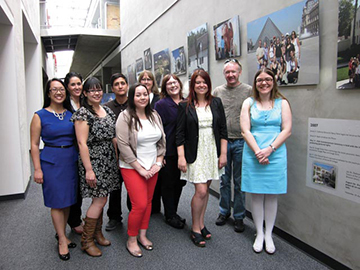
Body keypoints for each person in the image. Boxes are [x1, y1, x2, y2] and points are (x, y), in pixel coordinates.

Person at [240, 68, 292, 254]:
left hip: (275, 154)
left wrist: (269, 150)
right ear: (255, 83)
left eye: (268, 79)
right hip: (253, 153)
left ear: (273, 81)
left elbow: (287, 130)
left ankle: (269, 234)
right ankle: (259, 233)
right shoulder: (248, 102)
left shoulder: (282, 103)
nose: (264, 83)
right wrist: (258, 152)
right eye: (260, 80)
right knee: (256, 195)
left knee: (271, 195)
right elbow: (245, 130)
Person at [176, 69, 227, 247]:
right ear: (192, 85)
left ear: (208, 84)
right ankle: (195, 229)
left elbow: (223, 130)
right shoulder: (185, 106)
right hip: (194, 152)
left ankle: (202, 224)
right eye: (197, 82)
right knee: (201, 192)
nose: (201, 85)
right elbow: (179, 134)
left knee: (205, 190)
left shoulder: (217, 102)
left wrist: (223, 153)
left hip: (212, 151)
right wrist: (181, 157)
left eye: (204, 82)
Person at [71, 77, 120, 257]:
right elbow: (82, 143)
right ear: (85, 93)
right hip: (93, 161)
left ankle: (97, 233)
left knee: (103, 199)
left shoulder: (107, 110)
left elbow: (113, 137)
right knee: (99, 200)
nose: (97, 93)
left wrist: (117, 159)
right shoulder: (83, 114)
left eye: (99, 89)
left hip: (108, 160)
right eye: (92, 90)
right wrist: (89, 170)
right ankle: (87, 240)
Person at [30, 78, 78, 261]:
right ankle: (62, 241)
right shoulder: (39, 115)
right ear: (48, 93)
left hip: (70, 160)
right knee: (56, 202)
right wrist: (37, 169)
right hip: (51, 162)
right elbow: (34, 145)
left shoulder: (70, 114)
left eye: (61, 89)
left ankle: (62, 234)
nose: (59, 92)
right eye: (54, 89)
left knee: (67, 200)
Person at [116, 83, 166, 257]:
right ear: (132, 97)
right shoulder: (125, 117)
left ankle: (143, 235)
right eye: (138, 95)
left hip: (153, 166)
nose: (142, 97)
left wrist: (158, 163)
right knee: (140, 204)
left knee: (149, 202)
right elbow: (123, 145)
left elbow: (162, 141)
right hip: (131, 166)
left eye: (145, 94)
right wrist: (140, 168)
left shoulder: (154, 115)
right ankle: (132, 239)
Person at [213, 59, 252, 232]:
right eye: (227, 72)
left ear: (239, 72)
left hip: (242, 141)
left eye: (233, 72)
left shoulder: (249, 91)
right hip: (223, 142)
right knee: (223, 180)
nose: (230, 75)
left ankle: (239, 216)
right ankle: (223, 211)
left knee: (239, 181)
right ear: (224, 74)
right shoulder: (217, 92)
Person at [154, 74, 187, 229]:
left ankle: (173, 211)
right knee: (168, 183)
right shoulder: (161, 105)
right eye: (169, 84)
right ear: (165, 88)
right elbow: (157, 130)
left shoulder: (187, 102)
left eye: (175, 82)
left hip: (185, 151)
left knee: (180, 182)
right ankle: (170, 215)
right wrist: (160, 153)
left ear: (179, 84)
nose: (173, 85)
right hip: (168, 150)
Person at [103, 73, 129, 231]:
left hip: (133, 155)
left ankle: (135, 213)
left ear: (127, 85)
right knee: (115, 188)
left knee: (133, 188)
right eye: (117, 84)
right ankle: (114, 217)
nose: (120, 86)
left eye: (123, 83)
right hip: (114, 155)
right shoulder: (106, 108)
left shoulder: (135, 104)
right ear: (112, 88)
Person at [138, 70, 162, 213]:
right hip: (140, 147)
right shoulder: (135, 99)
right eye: (143, 79)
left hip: (155, 145)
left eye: (149, 79)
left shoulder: (159, 99)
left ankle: (154, 208)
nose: (146, 81)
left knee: (155, 180)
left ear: (153, 82)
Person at [64, 72, 84, 235]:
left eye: (79, 84)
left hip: (86, 150)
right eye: (73, 84)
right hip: (70, 151)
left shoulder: (86, 102)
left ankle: (77, 217)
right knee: (72, 187)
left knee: (82, 186)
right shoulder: (64, 105)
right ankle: (74, 220)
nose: (77, 87)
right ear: (67, 87)